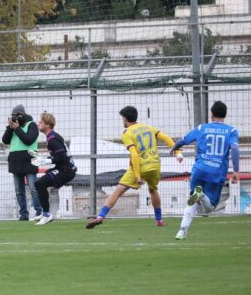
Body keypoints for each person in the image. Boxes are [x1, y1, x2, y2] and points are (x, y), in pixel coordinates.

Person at [86, 105, 175, 229]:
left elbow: (134, 154)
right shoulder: (148, 128)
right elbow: (165, 138)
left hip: (139, 167)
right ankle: (159, 220)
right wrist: (177, 151)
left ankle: (100, 216)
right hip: (154, 164)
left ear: (125, 119)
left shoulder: (127, 133)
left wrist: (138, 175)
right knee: (153, 190)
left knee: (117, 191)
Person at [170, 101, 240, 240]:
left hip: (199, 169)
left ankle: (182, 231)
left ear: (211, 114)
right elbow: (235, 149)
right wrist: (236, 171)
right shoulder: (232, 131)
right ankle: (200, 195)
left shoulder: (202, 127)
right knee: (210, 208)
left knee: (193, 199)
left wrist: (174, 148)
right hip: (217, 172)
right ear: (225, 115)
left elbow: (183, 140)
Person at [30, 112, 76, 226]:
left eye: (40, 122)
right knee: (42, 180)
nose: (38, 124)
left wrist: (46, 161)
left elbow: (61, 157)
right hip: (63, 169)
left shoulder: (53, 139)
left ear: (47, 125)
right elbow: (58, 156)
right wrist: (43, 158)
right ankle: (46, 212)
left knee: (39, 184)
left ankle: (46, 214)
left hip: (66, 171)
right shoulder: (52, 136)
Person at [2, 104, 41, 221]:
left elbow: (28, 140)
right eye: (13, 116)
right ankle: (23, 214)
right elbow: (5, 140)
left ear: (23, 115)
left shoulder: (32, 125)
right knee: (19, 191)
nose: (16, 118)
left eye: (18, 116)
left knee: (33, 188)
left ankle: (39, 212)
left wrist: (17, 128)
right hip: (15, 160)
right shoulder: (13, 127)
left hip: (29, 160)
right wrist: (10, 128)